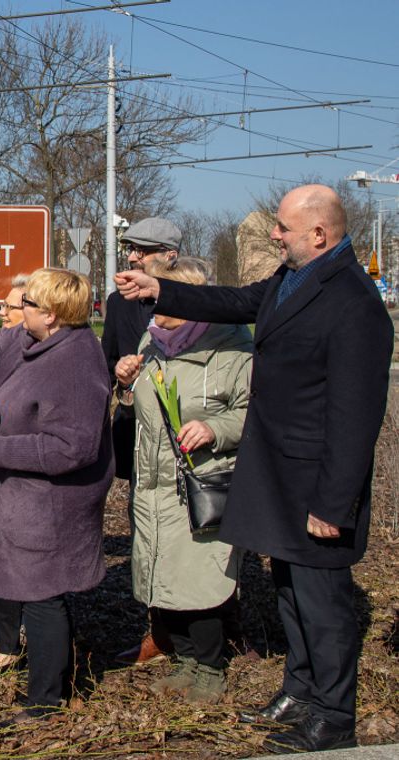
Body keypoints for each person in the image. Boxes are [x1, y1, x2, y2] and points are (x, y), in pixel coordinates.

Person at [115, 184, 393, 754]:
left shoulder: (354, 302)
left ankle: (333, 717)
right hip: (280, 478)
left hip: (316, 486)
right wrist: (158, 288)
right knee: (292, 597)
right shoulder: (293, 282)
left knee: (324, 607)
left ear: (318, 234)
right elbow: (234, 302)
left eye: (284, 228)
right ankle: (299, 690)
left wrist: (333, 504)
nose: (274, 234)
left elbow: (355, 417)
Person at [0, 267, 113, 724]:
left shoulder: (76, 362)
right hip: (21, 494)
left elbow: (75, 446)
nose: (17, 308)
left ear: (52, 314)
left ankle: (46, 699)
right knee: (29, 589)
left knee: (44, 595)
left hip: (50, 503)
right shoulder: (31, 338)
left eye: (26, 303)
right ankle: (47, 682)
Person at [113, 258, 251, 705]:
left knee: (201, 578)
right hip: (153, 483)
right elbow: (140, 409)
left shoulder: (232, 348)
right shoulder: (153, 342)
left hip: (200, 484)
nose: (152, 310)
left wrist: (215, 428)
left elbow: (256, 413)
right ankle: (187, 661)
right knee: (165, 575)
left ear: (190, 298)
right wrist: (125, 386)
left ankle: (211, 668)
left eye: (159, 299)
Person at [102, 217, 181, 668]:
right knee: (146, 529)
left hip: (188, 435)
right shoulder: (117, 302)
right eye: (129, 248)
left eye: (142, 250)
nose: (132, 256)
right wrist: (120, 375)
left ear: (169, 255)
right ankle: (159, 631)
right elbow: (108, 358)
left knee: (198, 530)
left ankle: (216, 626)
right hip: (137, 431)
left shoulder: (199, 296)